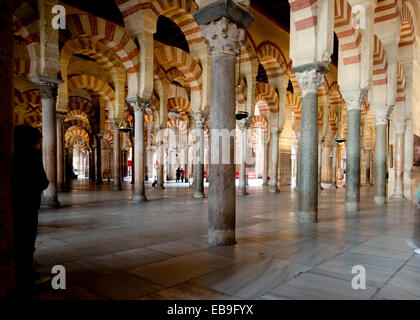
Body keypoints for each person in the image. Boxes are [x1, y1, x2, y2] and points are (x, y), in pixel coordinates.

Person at [12, 125, 49, 296]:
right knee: (27, 238)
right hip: (28, 203)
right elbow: (43, 182)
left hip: (11, 203)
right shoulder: (32, 154)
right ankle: (27, 275)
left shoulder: (10, 151)